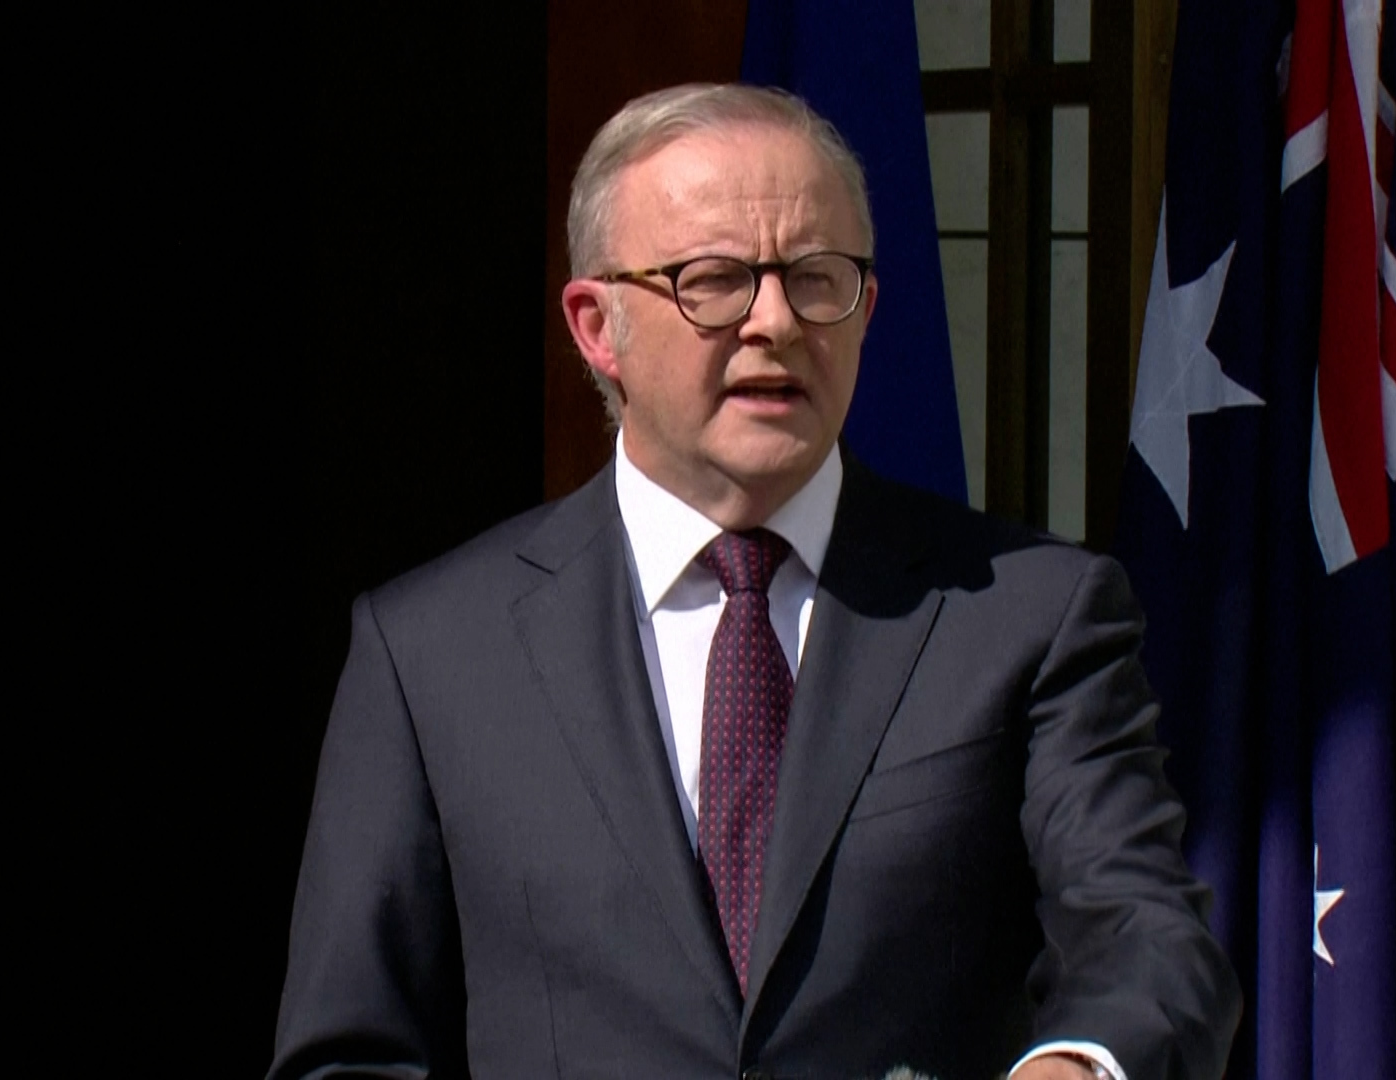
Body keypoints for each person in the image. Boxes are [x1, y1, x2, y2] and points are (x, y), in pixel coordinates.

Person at [269, 83, 1240, 1080]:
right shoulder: (432, 652)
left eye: (817, 278)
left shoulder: (1026, 613)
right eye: (714, 280)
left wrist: (1080, 1068)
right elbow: (352, 1049)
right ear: (598, 325)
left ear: (867, 311)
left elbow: (1149, 944)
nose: (775, 321)